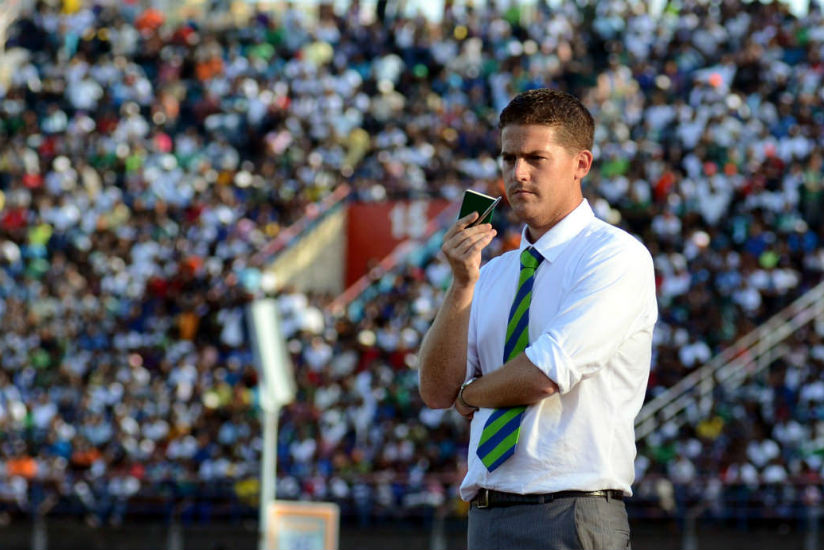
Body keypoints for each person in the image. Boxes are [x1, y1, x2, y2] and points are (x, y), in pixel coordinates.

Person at [418, 88, 658, 550]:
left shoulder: (614, 256)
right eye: (509, 158)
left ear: (581, 164)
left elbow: (545, 373)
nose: (518, 174)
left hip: (572, 513)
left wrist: (470, 395)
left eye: (535, 158)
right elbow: (434, 391)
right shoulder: (492, 272)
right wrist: (462, 284)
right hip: (488, 513)